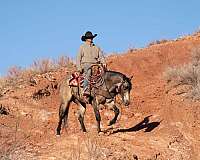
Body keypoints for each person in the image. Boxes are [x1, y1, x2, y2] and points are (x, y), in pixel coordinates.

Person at [76, 31, 106, 96]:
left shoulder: (96, 47)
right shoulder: (82, 47)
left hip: (96, 65)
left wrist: (104, 63)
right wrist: (79, 68)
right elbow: (78, 58)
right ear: (86, 39)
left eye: (91, 37)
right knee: (89, 72)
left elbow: (101, 56)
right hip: (86, 64)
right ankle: (85, 89)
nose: (91, 39)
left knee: (104, 74)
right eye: (89, 37)